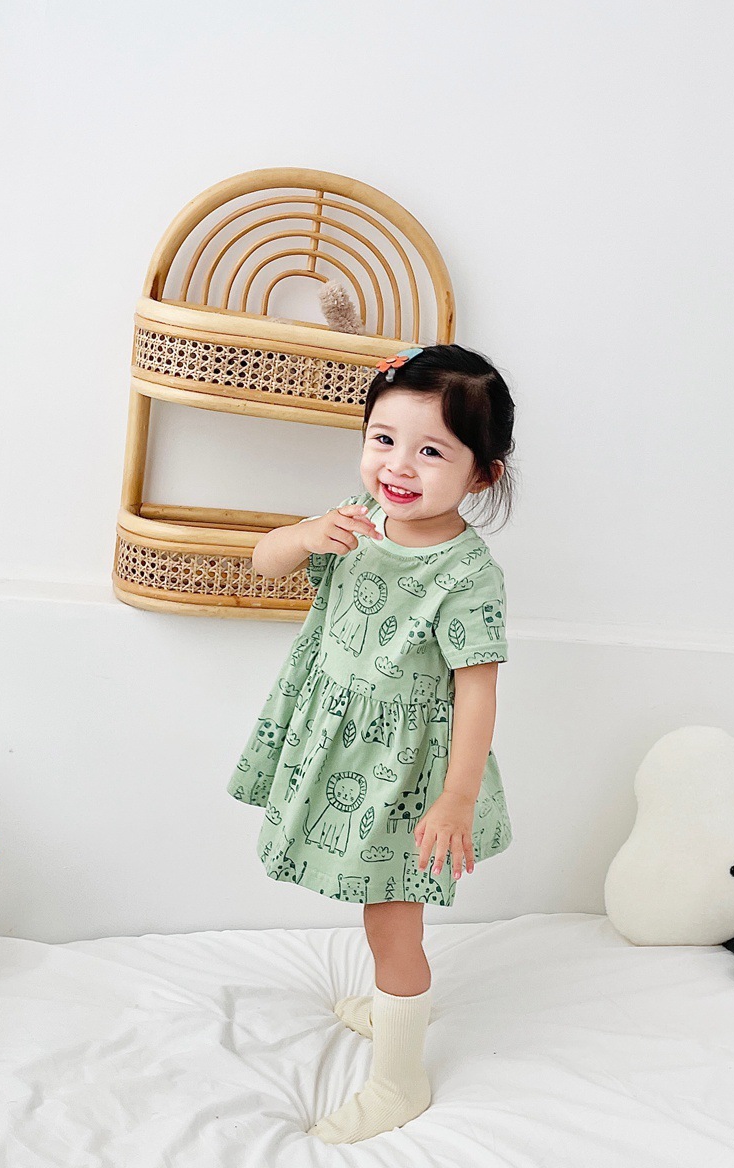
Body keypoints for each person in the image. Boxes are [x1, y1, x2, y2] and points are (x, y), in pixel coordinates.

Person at [225, 342, 517, 1143]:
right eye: (383, 439)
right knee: (374, 907)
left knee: (392, 920)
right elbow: (263, 562)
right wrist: (305, 533)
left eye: (432, 452)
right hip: (339, 744)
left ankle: (398, 1080)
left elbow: (478, 691)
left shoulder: (467, 575)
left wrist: (455, 798)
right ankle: (395, 1007)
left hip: (406, 772)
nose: (399, 465)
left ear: (481, 475)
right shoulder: (357, 520)